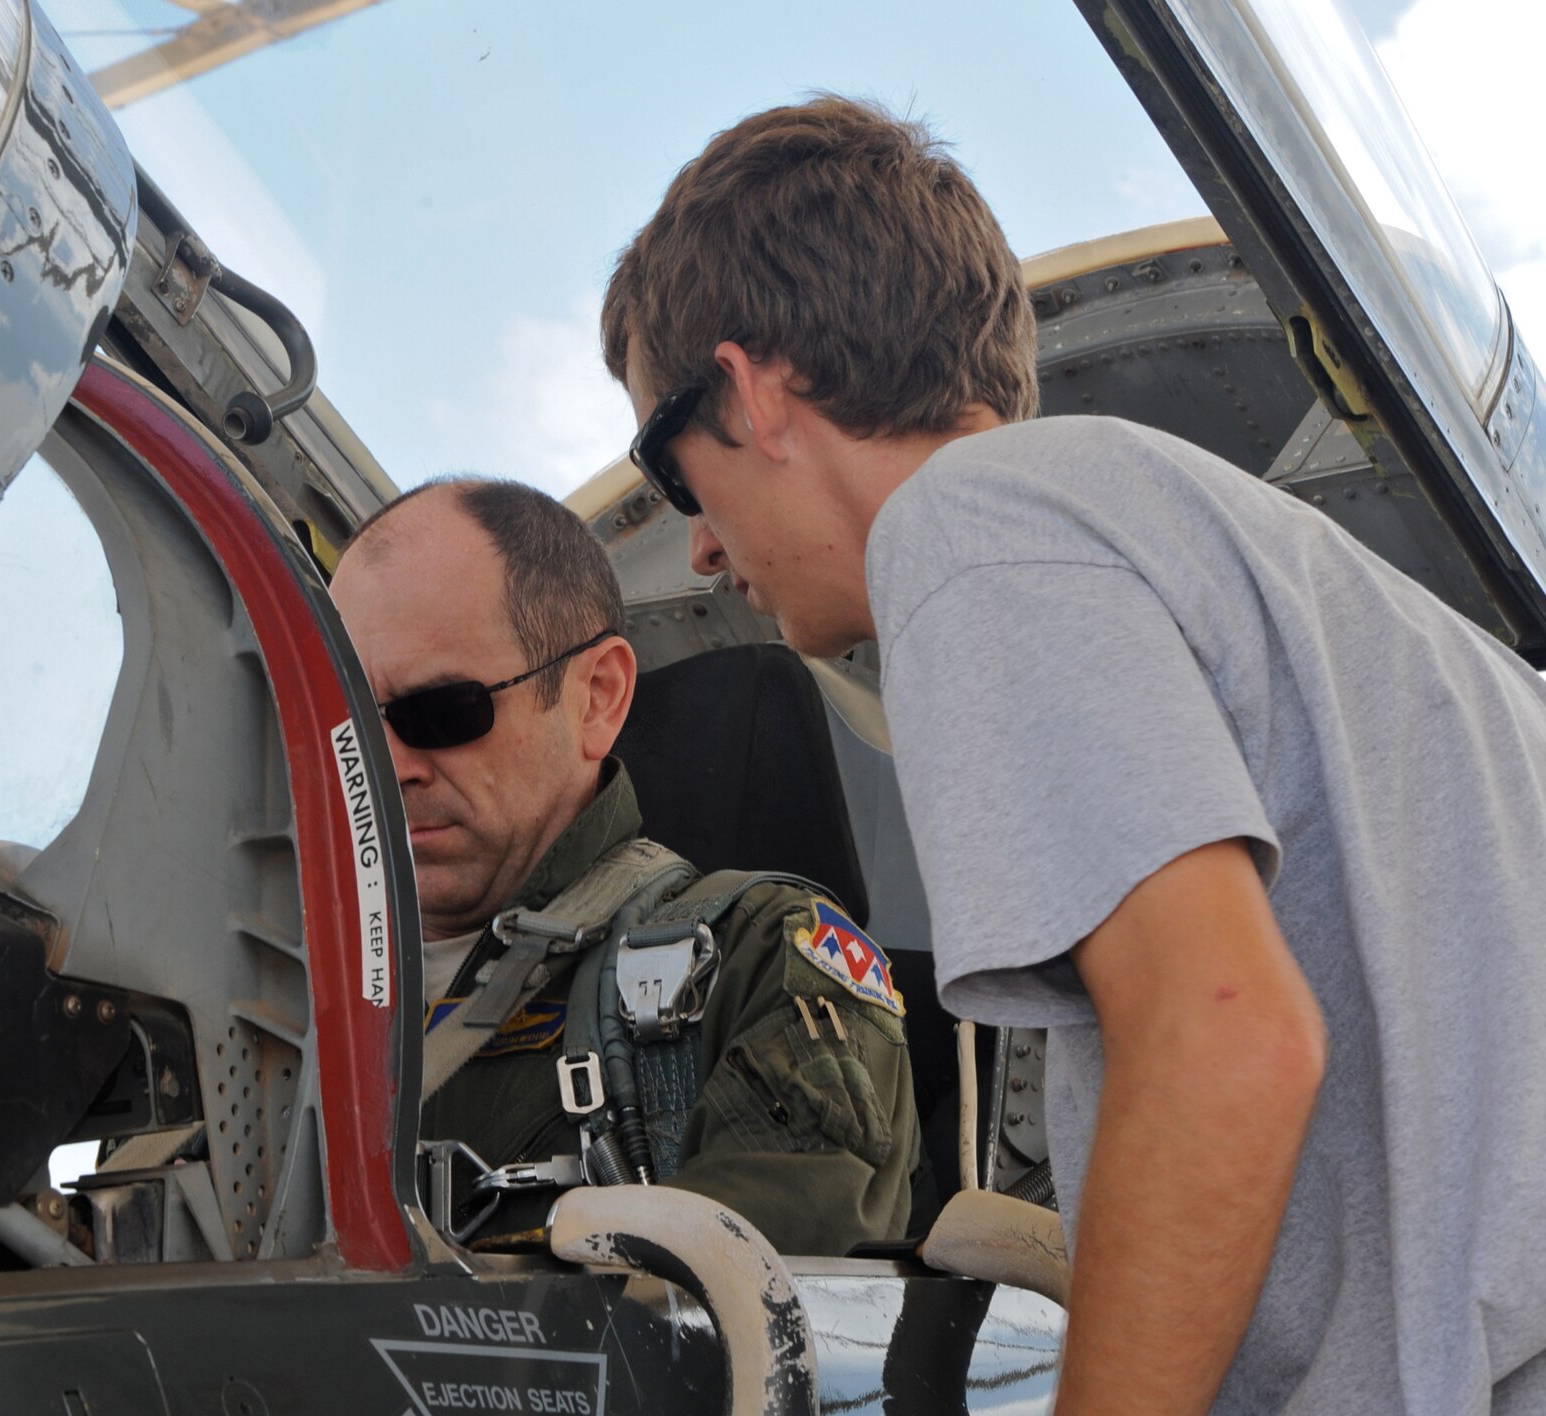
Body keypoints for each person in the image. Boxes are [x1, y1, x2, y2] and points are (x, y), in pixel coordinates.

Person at [600, 96, 1546, 1415]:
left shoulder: (967, 533)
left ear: (751, 390)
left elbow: (1228, 1037)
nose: (698, 545)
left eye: (669, 456)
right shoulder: (1203, 539)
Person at [328, 475, 922, 1254]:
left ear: (598, 698)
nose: (386, 766)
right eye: (347, 727)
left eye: (441, 713)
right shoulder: (260, 1005)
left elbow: (750, 1314)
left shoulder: (762, 964)